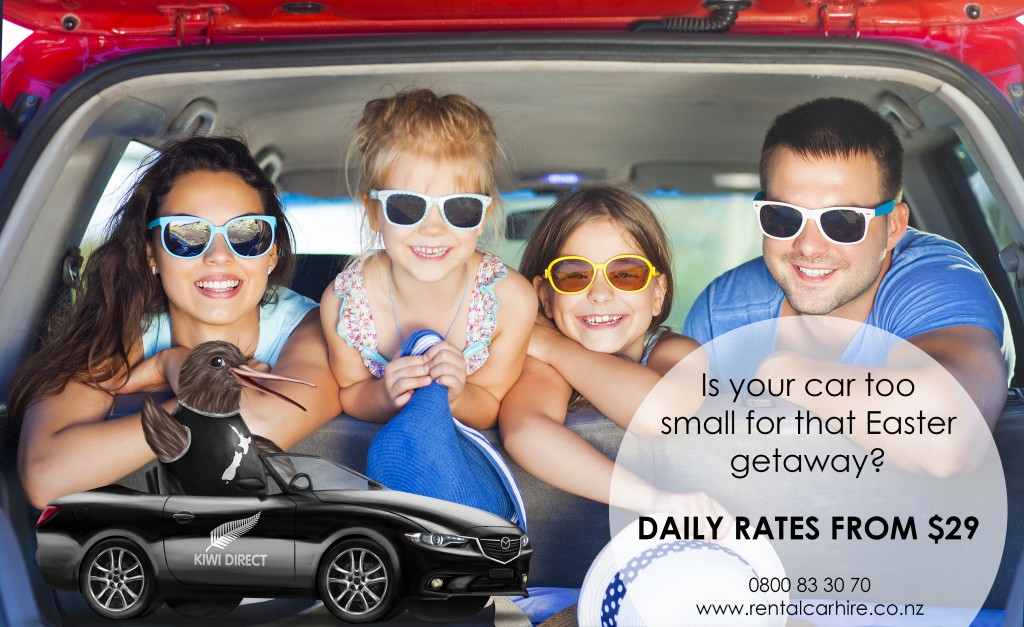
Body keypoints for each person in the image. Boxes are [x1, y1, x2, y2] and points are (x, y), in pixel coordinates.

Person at [683, 96, 1014, 477]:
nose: (808, 246)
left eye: (842, 221)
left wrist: (785, 373)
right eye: (783, 216)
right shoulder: (722, 313)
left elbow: (951, 438)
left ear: (893, 227)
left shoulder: (932, 281)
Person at [9, 136, 341, 509]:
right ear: (152, 254)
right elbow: (44, 477)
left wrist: (179, 368)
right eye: (186, 235)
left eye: (247, 233)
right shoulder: (121, 329)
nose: (219, 255)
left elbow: (257, 426)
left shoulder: (315, 326)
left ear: (271, 253)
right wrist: (192, 388)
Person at [320, 89, 536, 524]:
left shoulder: (510, 299)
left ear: (486, 213)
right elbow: (349, 393)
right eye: (406, 207)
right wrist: (383, 394)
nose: (433, 229)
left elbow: (491, 401)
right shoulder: (345, 303)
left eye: (459, 209)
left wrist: (457, 393)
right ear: (373, 211)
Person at [499, 187, 729, 522]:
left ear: (657, 292)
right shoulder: (542, 369)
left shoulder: (675, 352)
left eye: (625, 274)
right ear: (545, 296)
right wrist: (649, 500)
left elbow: (658, 413)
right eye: (575, 275)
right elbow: (526, 433)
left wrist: (551, 344)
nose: (601, 294)